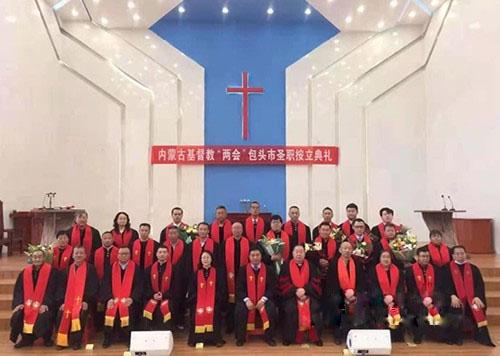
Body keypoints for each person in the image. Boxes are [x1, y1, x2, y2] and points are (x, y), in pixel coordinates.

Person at [443, 245, 495, 346]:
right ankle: (455, 338)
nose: (460, 256)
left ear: (465, 254)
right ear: (453, 256)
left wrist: (477, 296)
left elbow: (480, 285)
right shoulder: (446, 269)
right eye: (457, 254)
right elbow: (444, 286)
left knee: (477, 308)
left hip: (472, 300)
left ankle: (480, 337)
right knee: (454, 310)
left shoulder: (473, 269)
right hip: (455, 300)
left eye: (462, 253)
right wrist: (452, 295)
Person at [10, 248, 58, 348]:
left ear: (44, 258)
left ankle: (47, 338)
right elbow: (18, 290)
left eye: (39, 257)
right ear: (31, 258)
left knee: (45, 314)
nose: (37, 259)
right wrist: (19, 303)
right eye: (35, 257)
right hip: (27, 303)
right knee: (18, 314)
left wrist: (46, 304)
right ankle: (26, 339)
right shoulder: (25, 272)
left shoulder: (52, 272)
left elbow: (53, 290)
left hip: (45, 303)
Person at [55, 246, 99, 350]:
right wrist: (62, 302)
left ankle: (77, 341)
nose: (78, 255)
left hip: (84, 301)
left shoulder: (90, 269)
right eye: (76, 253)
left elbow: (93, 287)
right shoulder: (66, 270)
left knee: (80, 314)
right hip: (68, 301)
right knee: (61, 313)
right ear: (73, 255)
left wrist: (86, 301)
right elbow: (61, 288)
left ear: (85, 255)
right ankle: (63, 340)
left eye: (81, 253)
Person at [279, 245, 323, 346]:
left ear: (304, 253)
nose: (299, 254)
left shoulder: (311, 266)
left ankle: (315, 337)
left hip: (309, 294)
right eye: (296, 252)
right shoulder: (285, 266)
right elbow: (283, 283)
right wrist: (295, 291)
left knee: (314, 308)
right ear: (292, 253)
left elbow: (316, 282)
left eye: (301, 252)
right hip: (291, 295)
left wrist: (305, 290)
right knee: (290, 309)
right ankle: (289, 337)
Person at [101, 247, 143, 348]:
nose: (123, 256)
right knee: (110, 309)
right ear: (117, 255)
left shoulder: (136, 268)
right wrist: (109, 298)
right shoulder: (111, 268)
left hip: (129, 300)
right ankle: (108, 338)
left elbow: (139, 286)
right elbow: (105, 284)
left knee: (130, 309)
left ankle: (128, 338)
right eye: (121, 254)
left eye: (126, 254)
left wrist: (132, 298)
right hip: (114, 299)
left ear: (130, 255)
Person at [234, 247, 278, 347]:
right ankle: (240, 338)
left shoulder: (269, 269)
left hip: (264, 299)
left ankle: (269, 337)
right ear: (249, 257)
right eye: (253, 255)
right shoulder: (243, 270)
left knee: (271, 310)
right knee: (240, 310)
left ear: (261, 257)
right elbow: (239, 289)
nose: (255, 258)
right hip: (248, 300)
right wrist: (247, 300)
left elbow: (272, 288)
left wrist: (263, 299)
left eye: (257, 255)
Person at [325, 241, 367, 344]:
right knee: (340, 305)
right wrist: (344, 294)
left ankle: (356, 333)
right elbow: (331, 283)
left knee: (360, 302)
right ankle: (339, 334)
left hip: (354, 293)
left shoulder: (357, 263)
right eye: (344, 248)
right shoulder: (334, 263)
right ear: (340, 250)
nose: (347, 250)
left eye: (349, 248)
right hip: (339, 293)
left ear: (352, 250)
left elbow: (361, 281)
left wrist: (354, 293)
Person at [187, 251, 227, 347]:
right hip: (198, 301)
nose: (206, 260)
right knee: (195, 311)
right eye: (203, 258)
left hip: (214, 301)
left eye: (208, 257)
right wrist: (199, 299)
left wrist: (214, 298)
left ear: (211, 259)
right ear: (200, 260)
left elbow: (222, 289)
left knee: (215, 311)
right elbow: (192, 290)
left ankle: (215, 339)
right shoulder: (196, 274)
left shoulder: (218, 273)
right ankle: (196, 339)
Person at [405, 247, 444, 344]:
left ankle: (436, 335)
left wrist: (431, 300)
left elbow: (439, 287)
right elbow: (410, 290)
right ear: (417, 257)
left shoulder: (436, 270)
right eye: (423, 256)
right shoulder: (409, 271)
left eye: (427, 256)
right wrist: (422, 301)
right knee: (420, 312)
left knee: (439, 306)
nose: (425, 258)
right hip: (416, 300)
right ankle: (418, 335)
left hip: (433, 300)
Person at [220, 222, 252, 334]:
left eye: (239, 228)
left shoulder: (249, 243)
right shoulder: (225, 243)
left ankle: (242, 326)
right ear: (231, 230)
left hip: (245, 276)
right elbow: (221, 261)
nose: (237, 230)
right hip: (229, 276)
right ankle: (230, 325)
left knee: (242, 301)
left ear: (242, 230)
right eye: (235, 228)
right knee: (230, 303)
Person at [306, 222, 338, 328]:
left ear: (330, 231)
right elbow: (309, 258)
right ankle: (318, 323)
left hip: (331, 276)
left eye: (327, 230)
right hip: (317, 276)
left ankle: (330, 323)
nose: (325, 232)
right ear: (319, 231)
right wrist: (319, 260)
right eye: (323, 230)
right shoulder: (311, 243)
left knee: (332, 299)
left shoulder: (336, 243)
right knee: (317, 299)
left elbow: (338, 258)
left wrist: (329, 262)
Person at [368, 251, 405, 342]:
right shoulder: (373, 271)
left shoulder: (397, 270)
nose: (386, 259)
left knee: (398, 307)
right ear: (380, 259)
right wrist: (384, 298)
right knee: (379, 308)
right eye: (383, 257)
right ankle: (381, 337)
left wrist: (393, 299)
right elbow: (373, 287)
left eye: (388, 257)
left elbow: (400, 288)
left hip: (394, 299)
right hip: (379, 299)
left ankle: (395, 336)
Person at [143, 246, 176, 331]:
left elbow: (176, 287)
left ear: (168, 254)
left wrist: (164, 295)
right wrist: (153, 295)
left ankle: (165, 333)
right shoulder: (149, 269)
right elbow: (146, 286)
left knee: (166, 307)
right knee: (147, 307)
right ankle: (149, 332)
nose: (162, 254)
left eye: (164, 252)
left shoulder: (174, 269)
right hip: (152, 297)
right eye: (160, 252)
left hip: (168, 298)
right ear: (156, 254)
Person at [91, 231, 119, 331]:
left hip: (113, 282)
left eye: (109, 238)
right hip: (99, 281)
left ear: (113, 239)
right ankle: (99, 326)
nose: (107, 240)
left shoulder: (118, 251)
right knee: (99, 305)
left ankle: (110, 327)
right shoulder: (97, 252)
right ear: (102, 239)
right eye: (105, 238)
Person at [164, 227, 189, 329]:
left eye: (174, 233)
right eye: (170, 233)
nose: (172, 235)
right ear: (168, 234)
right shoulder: (164, 246)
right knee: (170, 299)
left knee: (180, 298)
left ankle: (180, 321)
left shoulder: (185, 245)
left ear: (178, 234)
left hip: (181, 276)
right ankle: (170, 322)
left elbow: (187, 261)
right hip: (167, 276)